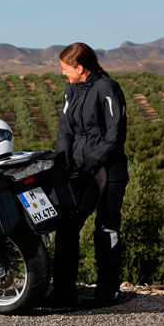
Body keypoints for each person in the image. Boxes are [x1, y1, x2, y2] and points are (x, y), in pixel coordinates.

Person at [49, 42, 128, 307]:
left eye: (65, 68)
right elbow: (65, 131)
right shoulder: (71, 89)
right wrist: (64, 166)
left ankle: (108, 293)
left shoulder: (107, 88)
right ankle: (63, 292)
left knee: (105, 228)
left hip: (108, 171)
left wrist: (92, 163)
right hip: (79, 172)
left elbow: (115, 136)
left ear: (80, 68)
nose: (63, 74)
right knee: (66, 227)